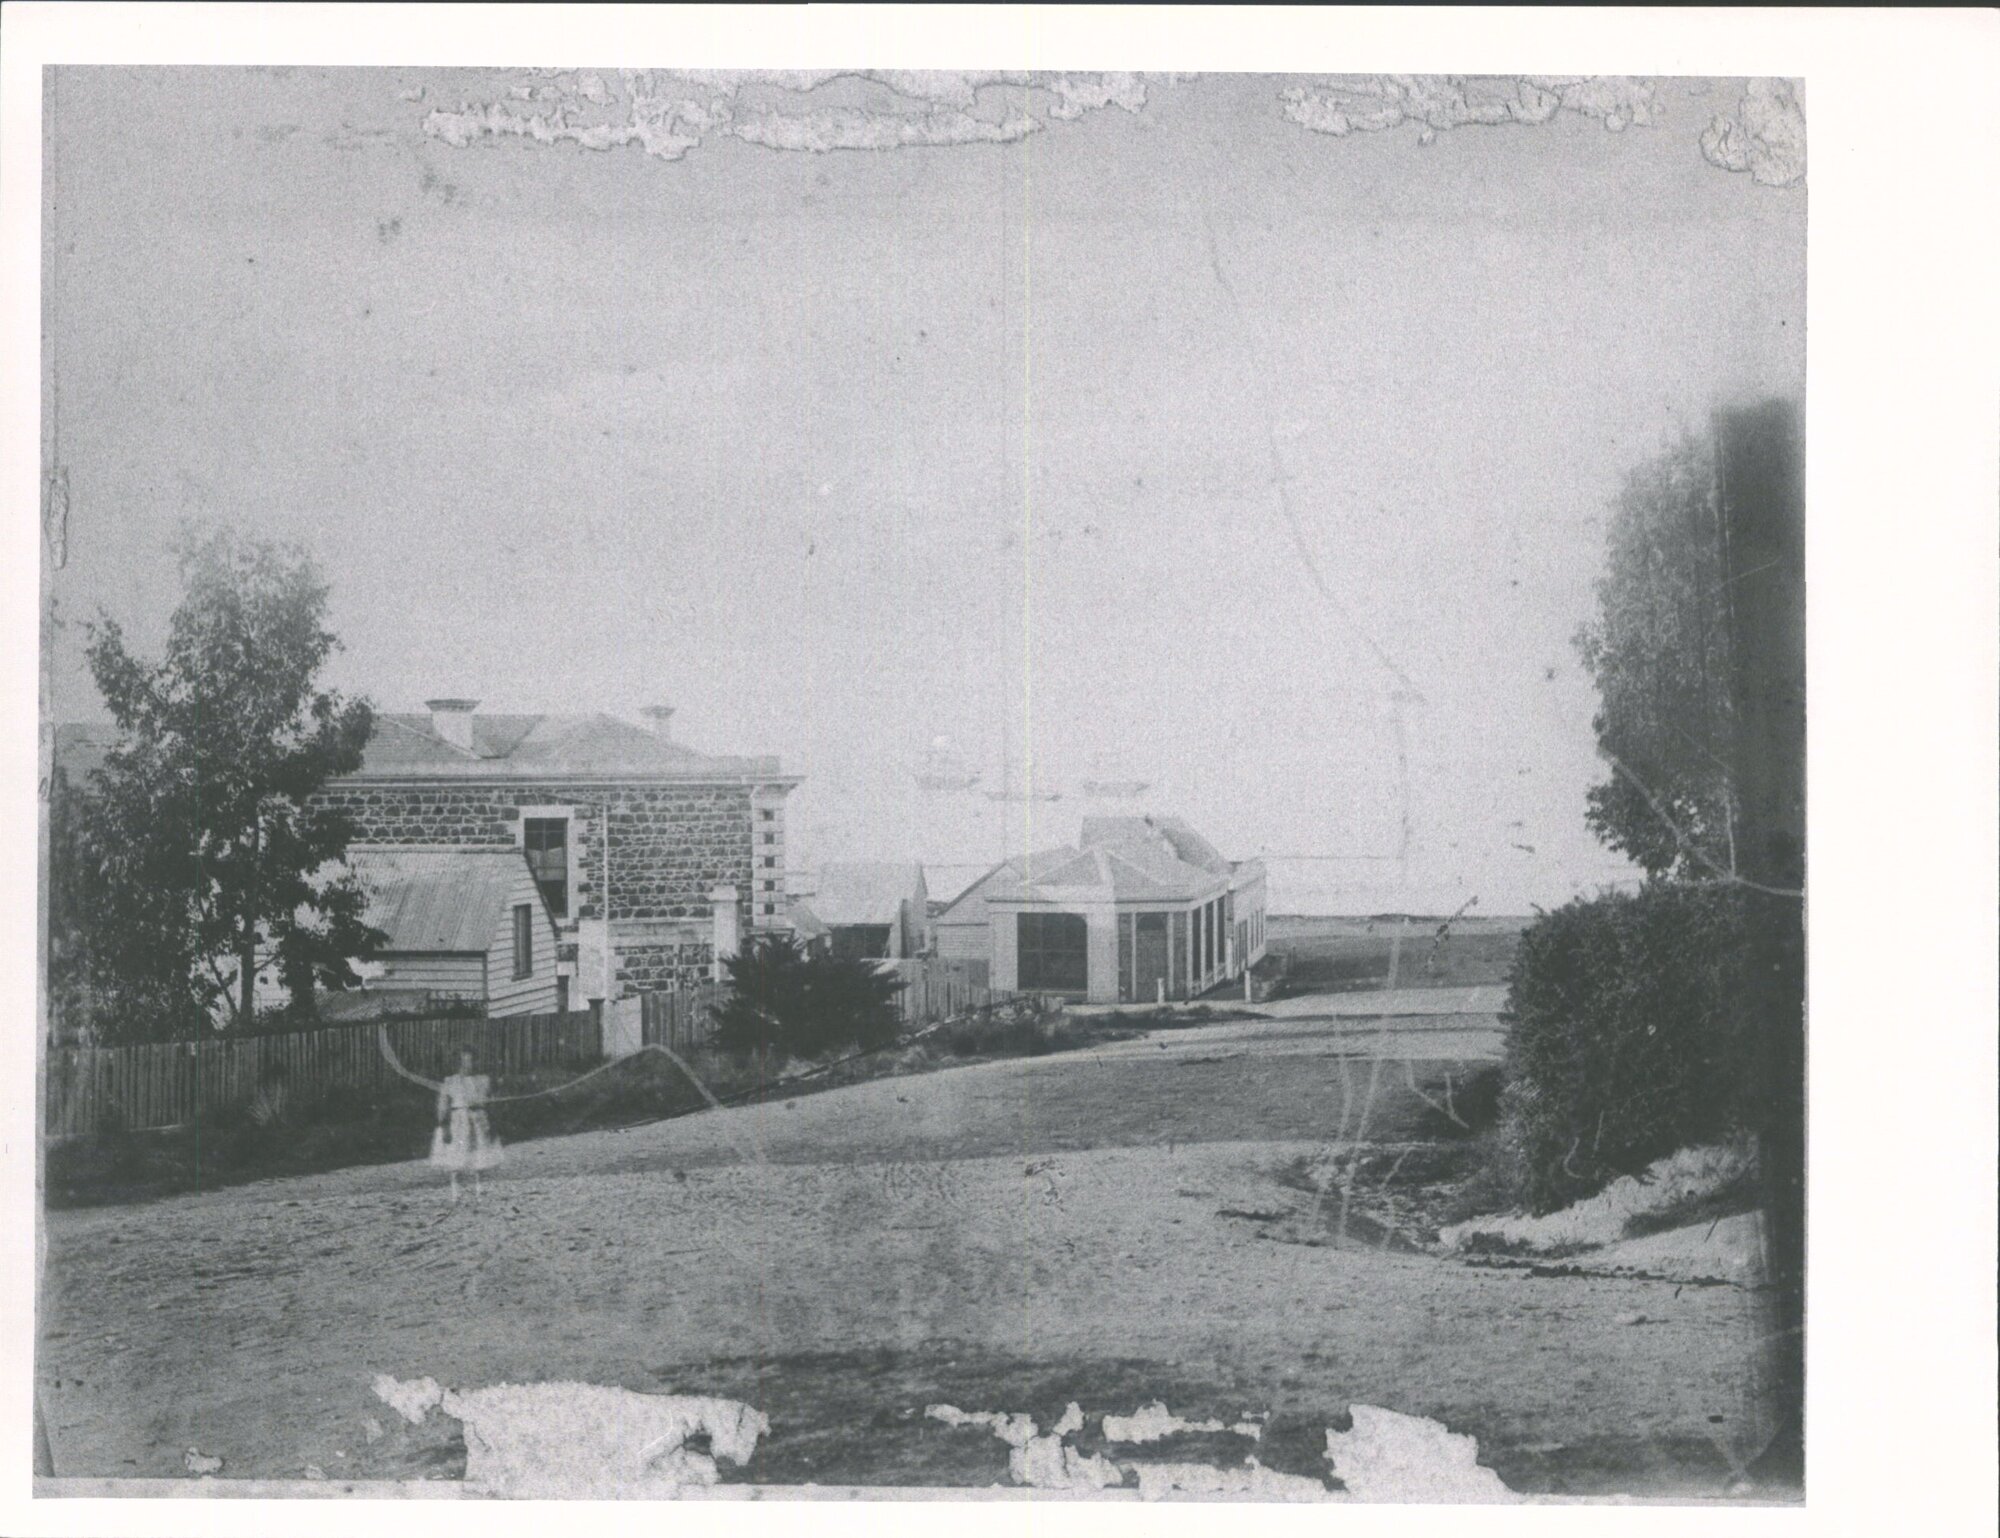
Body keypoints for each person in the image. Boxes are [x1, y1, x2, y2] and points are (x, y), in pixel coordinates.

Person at [431, 1048, 503, 1202]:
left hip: (478, 1118)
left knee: (479, 1154)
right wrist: (443, 1125)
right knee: (456, 1156)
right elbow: (442, 1106)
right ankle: (455, 1193)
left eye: (471, 1061)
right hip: (458, 1120)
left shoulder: (483, 1080)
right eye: (464, 1061)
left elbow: (491, 1102)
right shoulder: (450, 1081)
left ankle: (479, 1191)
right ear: (458, 1063)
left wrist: (492, 1123)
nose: (468, 1065)